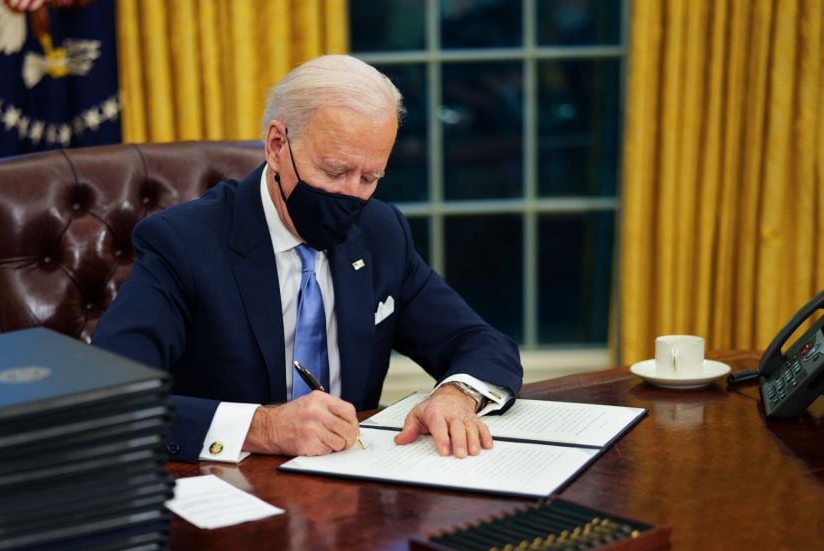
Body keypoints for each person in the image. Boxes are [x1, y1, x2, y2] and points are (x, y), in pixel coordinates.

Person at [93, 55, 523, 464]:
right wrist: (261, 427)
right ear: (278, 145)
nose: (353, 194)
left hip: (350, 487)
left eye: (370, 177)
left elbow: (480, 342)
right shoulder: (182, 243)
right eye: (335, 172)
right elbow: (110, 396)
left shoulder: (379, 232)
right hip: (229, 486)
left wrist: (455, 395)